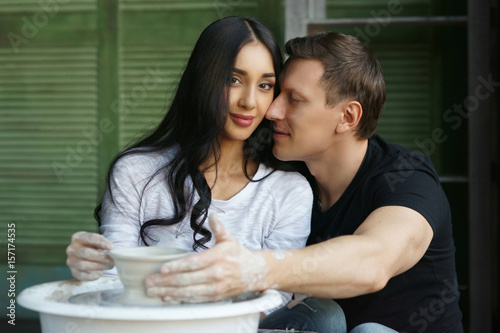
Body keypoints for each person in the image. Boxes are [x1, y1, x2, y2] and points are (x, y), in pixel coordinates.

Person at [143, 32, 463, 333]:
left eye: (294, 99)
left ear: (348, 117)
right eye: (277, 92)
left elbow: (374, 261)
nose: (273, 110)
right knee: (320, 315)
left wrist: (253, 268)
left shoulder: (407, 178)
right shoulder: (283, 173)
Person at [65, 16, 313, 311]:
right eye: (234, 80)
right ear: (204, 79)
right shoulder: (136, 172)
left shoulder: (289, 191)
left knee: (325, 317)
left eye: (264, 85)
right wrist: (90, 268)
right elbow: (112, 280)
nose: (249, 101)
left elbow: (273, 301)